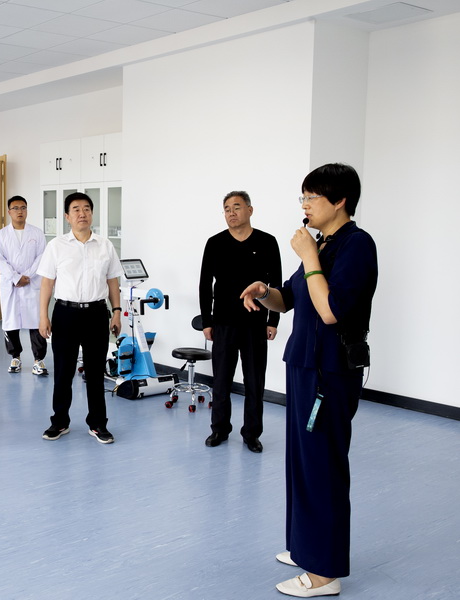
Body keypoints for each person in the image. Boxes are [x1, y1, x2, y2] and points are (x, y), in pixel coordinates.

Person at [241, 164, 377, 597]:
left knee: (322, 466)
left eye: (312, 197)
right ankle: (306, 547)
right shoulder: (321, 244)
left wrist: (309, 257)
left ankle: (324, 573)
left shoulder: (357, 245)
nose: (304, 205)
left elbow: (331, 310)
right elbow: (289, 299)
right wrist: (264, 292)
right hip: (303, 363)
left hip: (330, 372)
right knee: (300, 463)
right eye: (303, 197)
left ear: (340, 201)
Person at [199, 191, 282, 453]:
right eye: (227, 209)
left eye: (236, 207)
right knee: (221, 381)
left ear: (250, 210)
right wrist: (207, 321)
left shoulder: (267, 242)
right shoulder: (215, 243)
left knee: (254, 382)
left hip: (255, 323)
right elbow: (205, 284)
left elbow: (276, 283)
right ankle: (219, 429)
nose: (231, 213)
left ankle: (252, 434)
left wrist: (273, 320)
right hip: (223, 323)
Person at [38, 192, 123, 444]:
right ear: (67, 216)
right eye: (76, 209)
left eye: (86, 209)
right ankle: (59, 422)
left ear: (92, 214)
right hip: (65, 313)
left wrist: (116, 312)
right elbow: (46, 284)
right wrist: (43, 316)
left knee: (95, 372)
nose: (82, 213)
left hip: (97, 314)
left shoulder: (105, 245)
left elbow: (113, 282)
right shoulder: (56, 246)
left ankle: (98, 424)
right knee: (63, 372)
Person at [0, 195, 48, 375]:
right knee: (11, 321)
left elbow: (42, 257)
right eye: (16, 208)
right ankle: (15, 357)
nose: (20, 211)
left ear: (27, 211)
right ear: (9, 212)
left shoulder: (37, 233)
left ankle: (38, 360)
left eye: (23, 208)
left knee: (36, 321)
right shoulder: (1, 235)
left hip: (32, 283)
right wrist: (15, 278)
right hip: (11, 284)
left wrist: (28, 276)